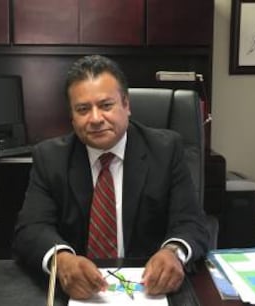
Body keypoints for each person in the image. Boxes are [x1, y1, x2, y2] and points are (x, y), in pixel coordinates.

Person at [13, 55, 210, 300]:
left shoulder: (166, 150)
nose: (95, 119)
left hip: (148, 291)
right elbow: (31, 228)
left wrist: (173, 251)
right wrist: (61, 259)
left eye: (106, 105)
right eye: (83, 109)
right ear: (72, 117)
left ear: (126, 105)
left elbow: (191, 222)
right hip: (78, 292)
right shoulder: (50, 157)